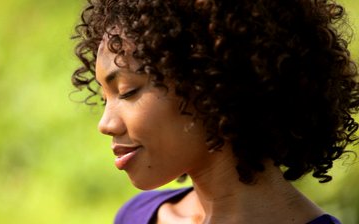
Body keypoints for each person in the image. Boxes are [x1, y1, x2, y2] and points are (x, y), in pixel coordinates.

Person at [72, 0, 359, 223]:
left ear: (209, 78)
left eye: (127, 91)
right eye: (105, 97)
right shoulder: (137, 217)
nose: (105, 123)